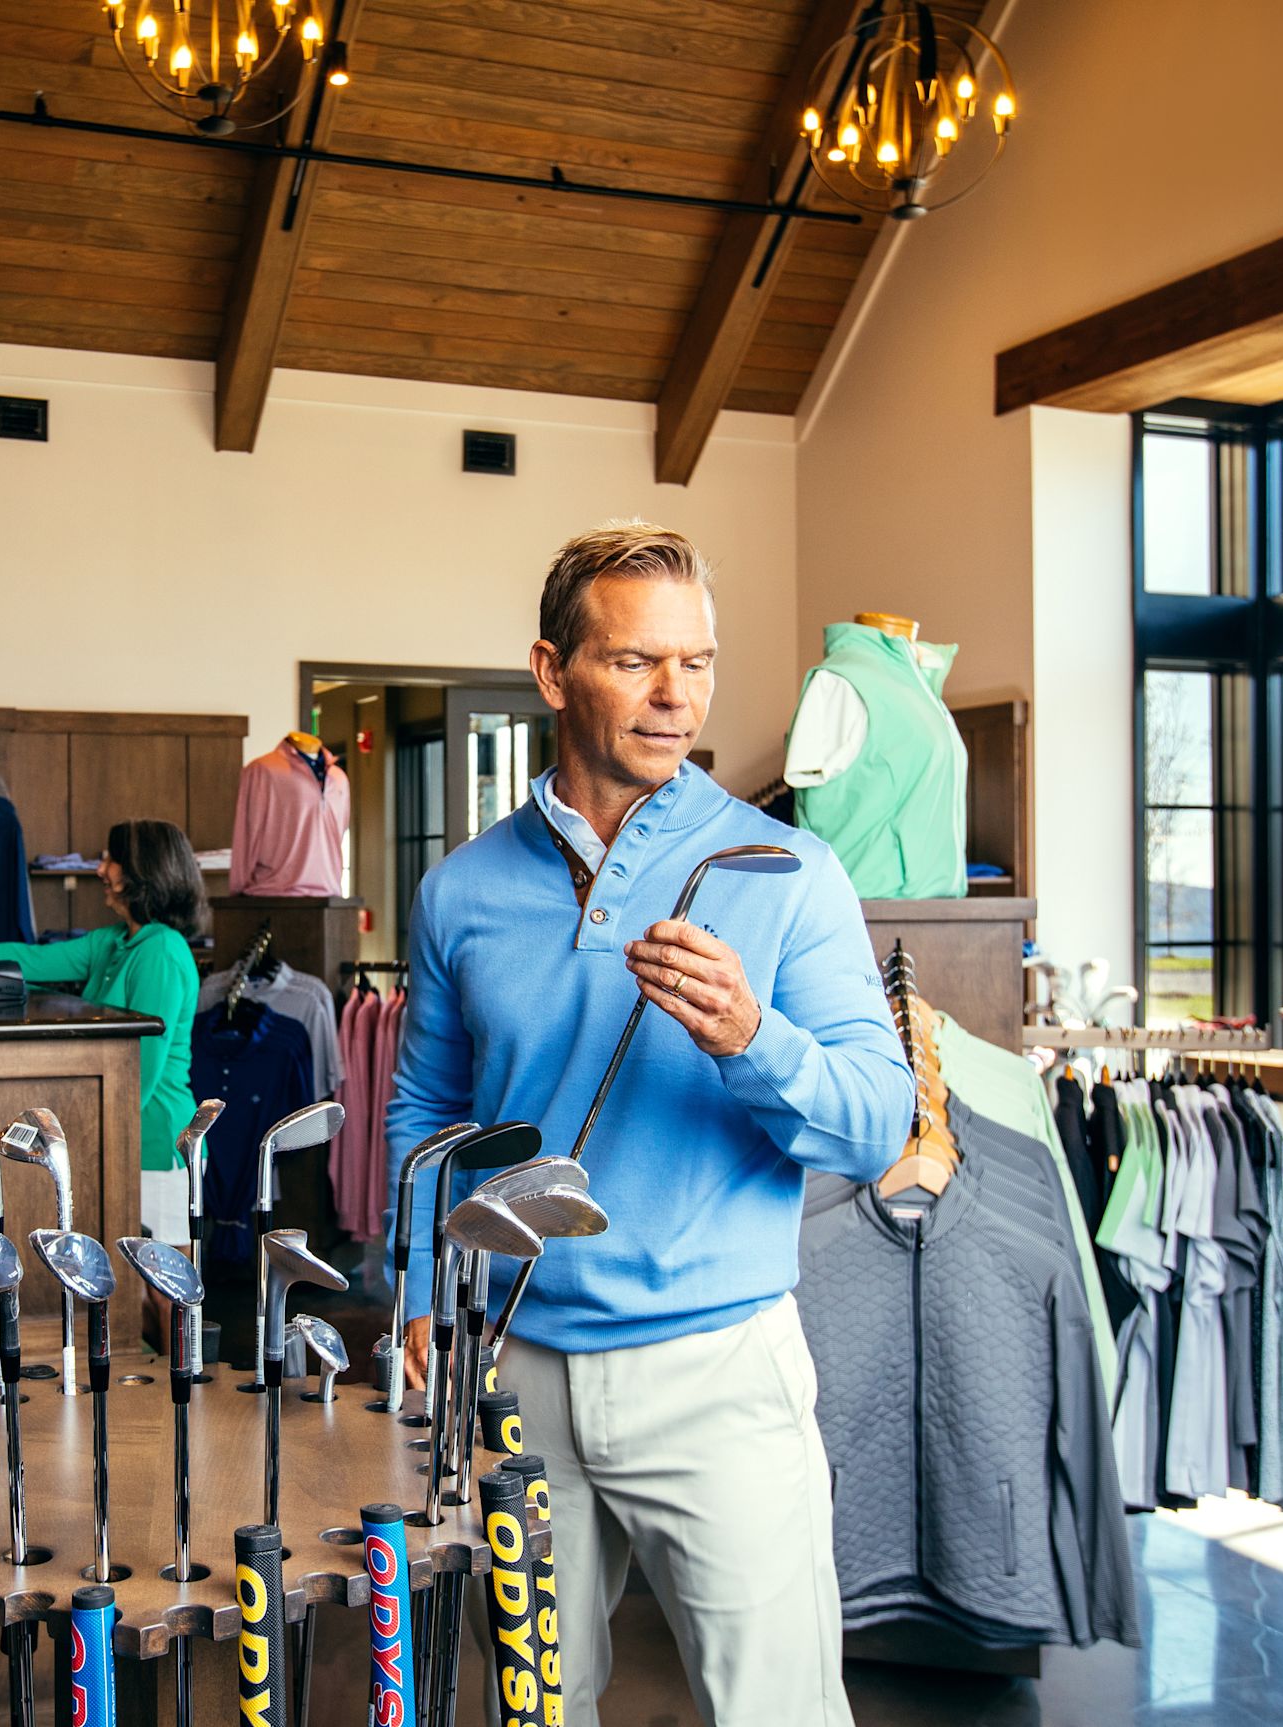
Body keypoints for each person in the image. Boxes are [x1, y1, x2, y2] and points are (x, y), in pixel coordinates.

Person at [386, 523, 912, 1727]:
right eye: (635, 662)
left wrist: (751, 1036)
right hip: (515, 1363)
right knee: (533, 1707)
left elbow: (878, 1122)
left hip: (718, 1365)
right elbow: (427, 1109)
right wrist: (416, 1281)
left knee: (776, 1710)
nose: (676, 695)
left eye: (699, 661)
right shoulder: (461, 887)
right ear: (550, 667)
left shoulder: (788, 869)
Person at [0, 818, 206, 1253]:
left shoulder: (161, 950)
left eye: (111, 860)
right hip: (123, 1139)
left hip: (153, 1142)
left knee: (162, 1293)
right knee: (130, 1286)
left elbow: (140, 1077)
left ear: (142, 872)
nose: (100, 870)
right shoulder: (116, 943)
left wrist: (83, 1139)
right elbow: (30, 961)